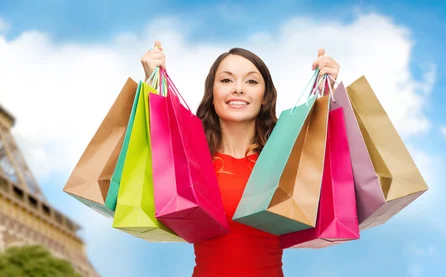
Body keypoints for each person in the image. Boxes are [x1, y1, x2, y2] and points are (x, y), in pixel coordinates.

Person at [139, 40, 340, 277]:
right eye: (226, 80)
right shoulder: (192, 160)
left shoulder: (286, 160)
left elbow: (333, 174)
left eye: (251, 81)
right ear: (212, 94)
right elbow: (154, 148)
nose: (238, 88)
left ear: (265, 97)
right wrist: (153, 81)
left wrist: (328, 97)